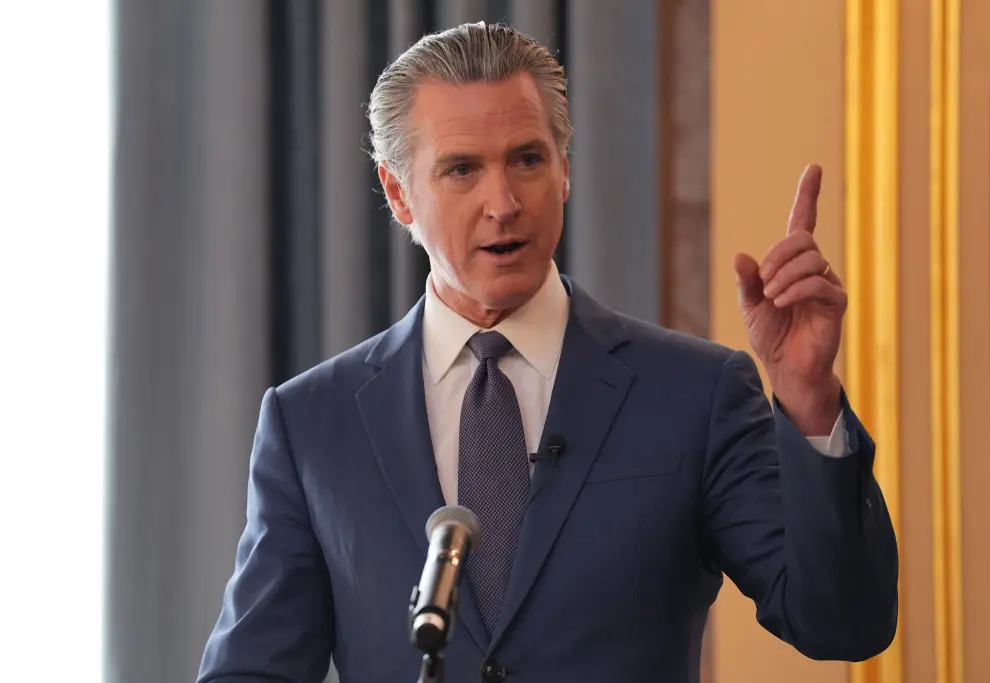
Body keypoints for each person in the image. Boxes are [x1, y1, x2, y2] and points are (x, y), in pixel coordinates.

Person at [197, 22, 897, 683]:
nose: (503, 202)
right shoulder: (313, 423)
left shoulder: (695, 392)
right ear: (398, 192)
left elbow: (842, 623)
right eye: (463, 170)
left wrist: (807, 396)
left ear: (565, 169)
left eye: (527, 159)